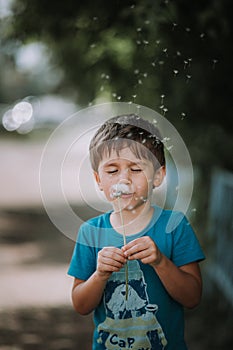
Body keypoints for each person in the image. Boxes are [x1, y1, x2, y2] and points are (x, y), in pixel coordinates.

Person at [68, 114, 205, 350]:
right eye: (112, 171)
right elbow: (81, 305)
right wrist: (100, 274)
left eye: (135, 169)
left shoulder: (174, 225)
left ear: (158, 176)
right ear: (98, 180)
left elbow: (192, 298)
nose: (124, 179)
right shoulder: (90, 232)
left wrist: (161, 262)